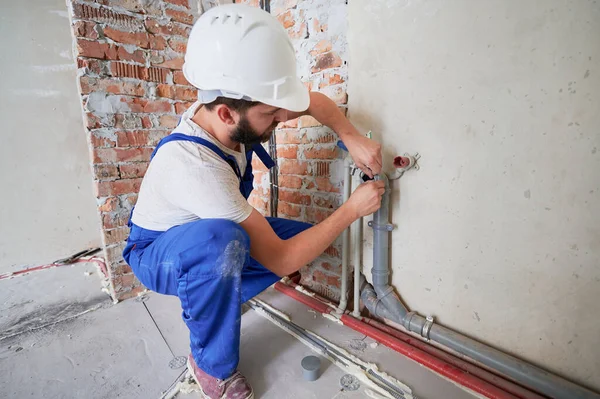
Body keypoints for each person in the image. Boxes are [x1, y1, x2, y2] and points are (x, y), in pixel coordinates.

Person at [123, 4, 384, 399]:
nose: (282, 118)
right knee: (224, 243)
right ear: (227, 113)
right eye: (271, 114)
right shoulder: (195, 167)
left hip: (205, 231)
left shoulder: (235, 105)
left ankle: (219, 295)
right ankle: (212, 365)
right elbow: (280, 259)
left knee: (306, 239)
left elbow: (314, 103)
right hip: (156, 250)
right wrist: (351, 210)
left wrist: (351, 136)